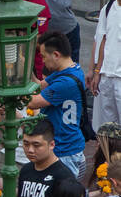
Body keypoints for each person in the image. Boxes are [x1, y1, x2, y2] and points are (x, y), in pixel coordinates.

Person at [29, 31, 87, 177]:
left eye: (43, 56)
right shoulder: (69, 70)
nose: (42, 61)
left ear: (55, 54)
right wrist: (24, 67)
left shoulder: (66, 82)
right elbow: (39, 85)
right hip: (64, 146)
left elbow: (33, 102)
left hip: (65, 151)